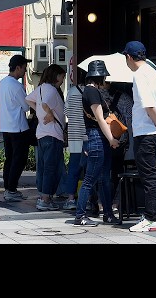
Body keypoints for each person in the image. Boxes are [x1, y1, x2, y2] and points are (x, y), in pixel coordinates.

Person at [122, 41, 156, 232]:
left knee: (148, 177)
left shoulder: (139, 75)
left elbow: (148, 105)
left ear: (129, 57)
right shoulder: (154, 72)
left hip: (145, 133)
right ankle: (151, 217)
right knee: (152, 175)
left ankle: (151, 218)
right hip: (155, 134)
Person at [73, 59, 120, 227]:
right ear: (99, 77)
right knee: (90, 179)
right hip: (97, 137)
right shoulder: (92, 92)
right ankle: (80, 215)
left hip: (97, 137)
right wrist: (111, 139)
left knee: (104, 179)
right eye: (104, 77)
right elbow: (100, 118)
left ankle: (107, 214)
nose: (105, 80)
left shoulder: (90, 91)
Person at [26, 64, 67, 211]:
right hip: (53, 134)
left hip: (42, 133)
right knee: (51, 168)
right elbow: (44, 103)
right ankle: (45, 199)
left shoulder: (42, 88)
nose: (63, 80)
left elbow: (28, 99)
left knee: (44, 167)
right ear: (56, 76)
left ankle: (43, 196)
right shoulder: (52, 90)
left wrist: (40, 112)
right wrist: (48, 112)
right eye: (62, 76)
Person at [0, 54, 32, 202]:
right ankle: (11, 189)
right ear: (17, 67)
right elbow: (26, 106)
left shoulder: (3, 83)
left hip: (5, 126)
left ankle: (8, 188)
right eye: (24, 68)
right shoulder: (16, 86)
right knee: (19, 159)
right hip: (18, 128)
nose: (25, 71)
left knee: (10, 158)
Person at [60, 66, 87, 210]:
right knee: (90, 170)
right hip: (89, 136)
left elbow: (67, 112)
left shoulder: (72, 92)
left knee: (74, 168)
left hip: (75, 135)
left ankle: (71, 198)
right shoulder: (93, 92)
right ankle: (88, 199)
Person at [104, 80, 134, 209]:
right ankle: (115, 203)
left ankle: (101, 203)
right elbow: (130, 122)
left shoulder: (96, 96)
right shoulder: (125, 98)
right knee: (117, 172)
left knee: (101, 173)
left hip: (102, 139)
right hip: (119, 141)